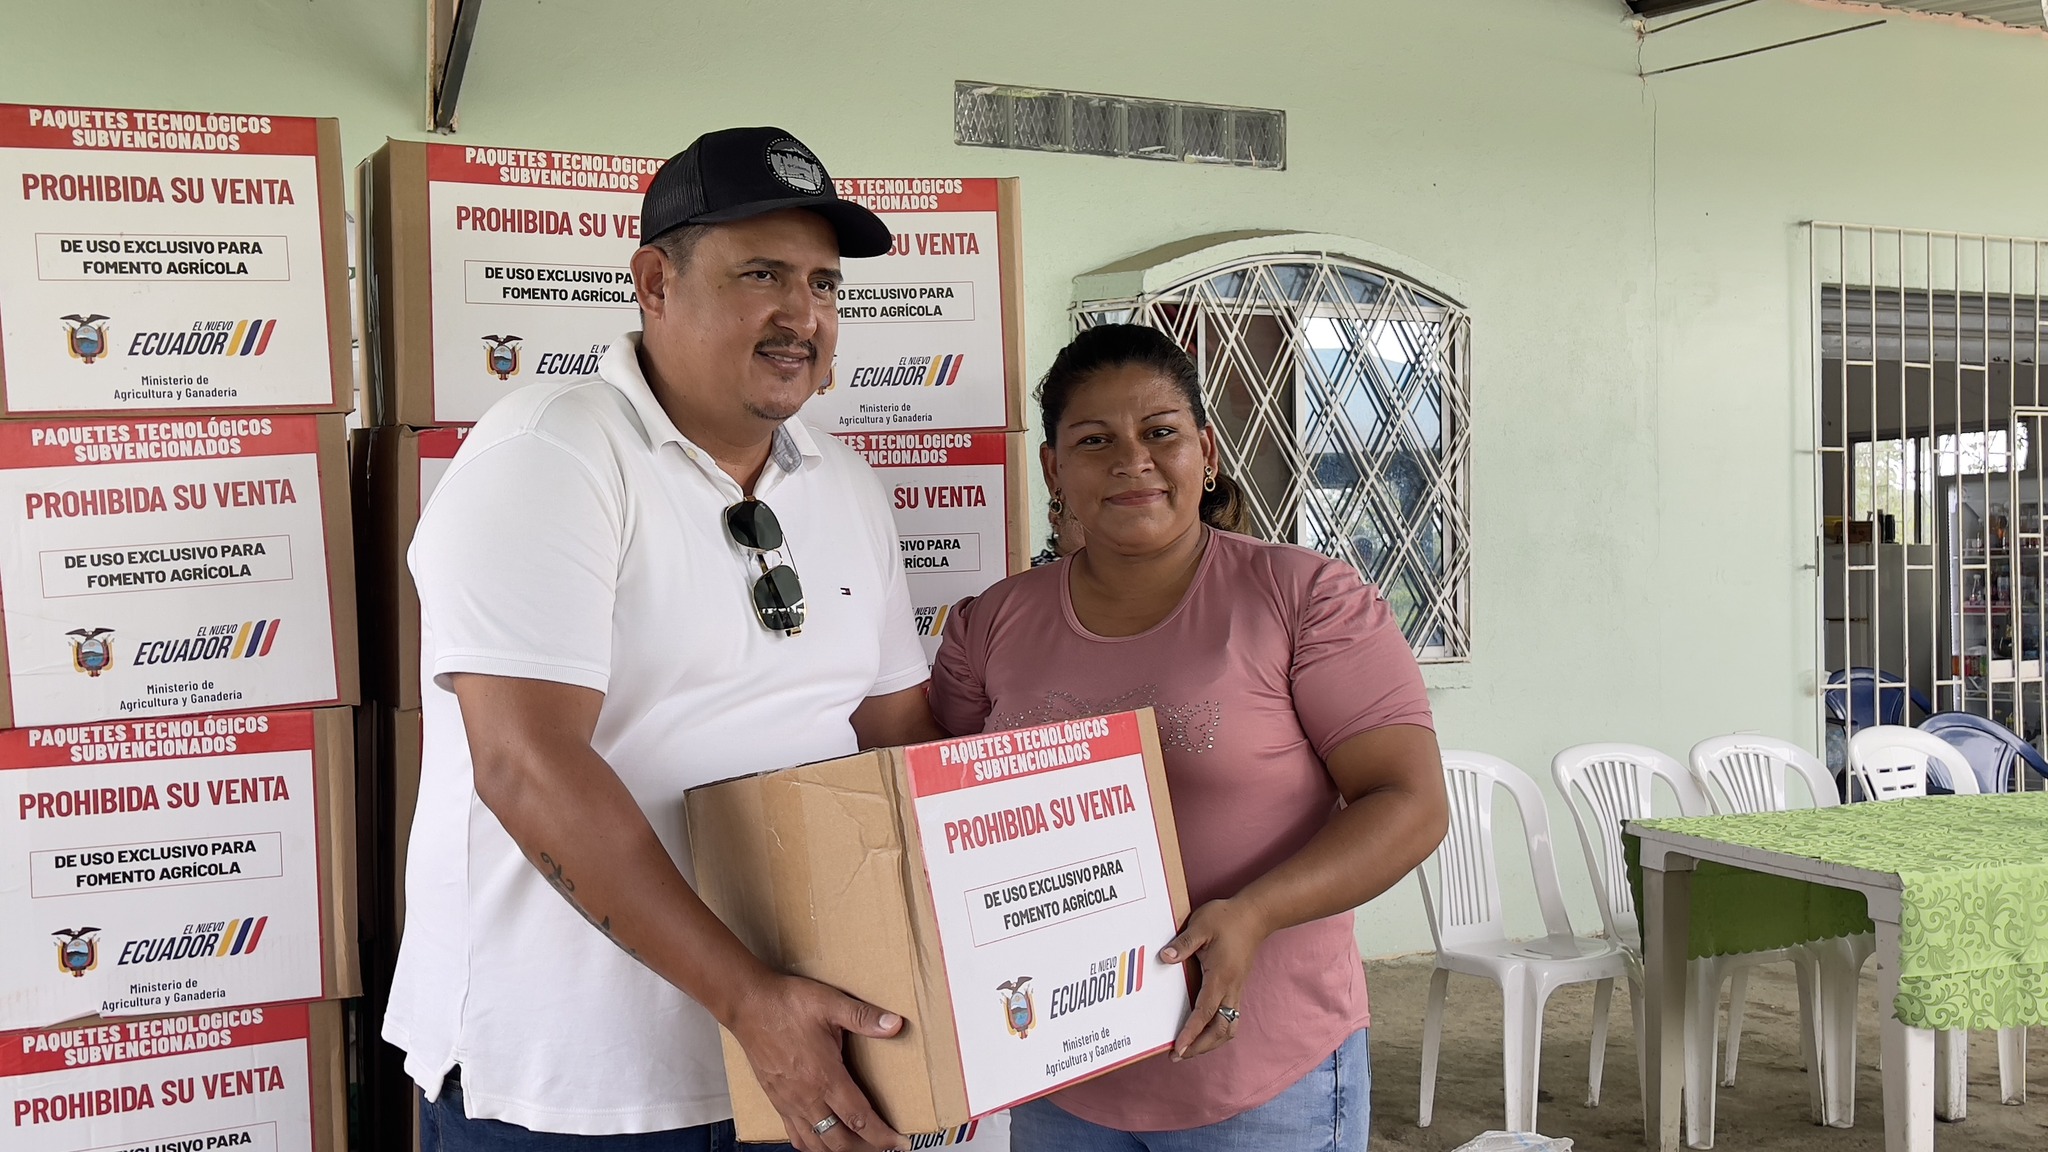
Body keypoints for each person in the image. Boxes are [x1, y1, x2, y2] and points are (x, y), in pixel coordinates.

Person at [384, 127, 940, 1152]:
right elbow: (526, 764)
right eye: (761, 274)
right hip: (577, 1086)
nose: (801, 315)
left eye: (823, 284)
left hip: (804, 1053)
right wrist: (750, 1003)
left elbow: (895, 735)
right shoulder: (552, 449)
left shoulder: (848, 486)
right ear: (654, 283)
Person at [930, 324, 1449, 1150]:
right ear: (1054, 470)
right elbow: (946, 802)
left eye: (1160, 432)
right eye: (1094, 440)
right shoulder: (992, 622)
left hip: (1257, 1074)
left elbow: (1410, 802)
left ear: (1205, 453)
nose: (1131, 460)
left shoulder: (1303, 597)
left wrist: (1255, 913)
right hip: (1060, 1073)